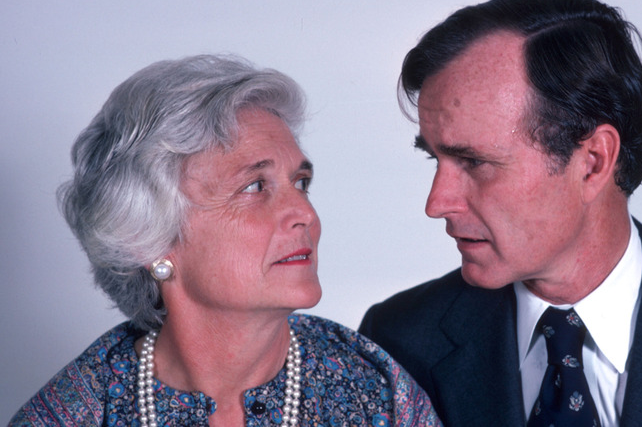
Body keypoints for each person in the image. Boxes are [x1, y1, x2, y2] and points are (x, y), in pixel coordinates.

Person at [358, 0, 642, 426]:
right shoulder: (396, 343)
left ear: (593, 162)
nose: (436, 203)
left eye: (475, 162)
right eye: (436, 158)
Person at [11, 55, 441, 427]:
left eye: (301, 183)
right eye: (255, 186)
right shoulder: (78, 411)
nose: (306, 215)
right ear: (149, 238)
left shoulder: (379, 396)